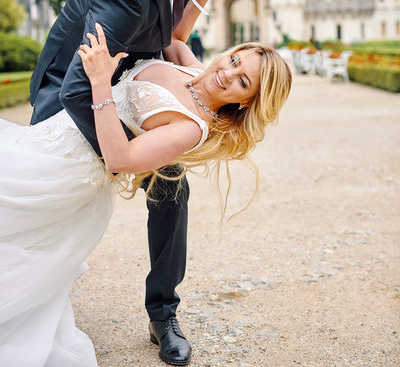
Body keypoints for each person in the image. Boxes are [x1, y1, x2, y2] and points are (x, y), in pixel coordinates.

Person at [0, 24, 292, 366]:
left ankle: (163, 314)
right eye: (234, 60)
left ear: (246, 101)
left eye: (243, 81)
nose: (227, 74)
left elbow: (120, 159)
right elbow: (174, 34)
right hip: (54, 136)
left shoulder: (192, 126)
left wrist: (98, 82)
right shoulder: (194, 69)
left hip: (74, 166)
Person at [28, 0, 230, 365]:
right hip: (72, 93)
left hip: (128, 79)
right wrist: (129, 158)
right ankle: (29, 299)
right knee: (50, 207)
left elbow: (168, 34)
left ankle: (163, 312)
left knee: (172, 184)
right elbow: (80, 87)